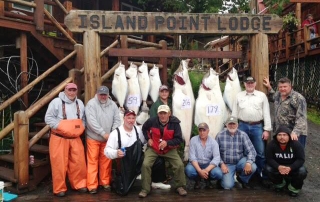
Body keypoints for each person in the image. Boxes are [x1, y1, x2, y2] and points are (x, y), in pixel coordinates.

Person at [45, 83, 87, 197]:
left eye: (74, 90)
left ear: (77, 91)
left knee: (79, 163)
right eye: (70, 90)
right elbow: (48, 118)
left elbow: (83, 119)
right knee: (59, 164)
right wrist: (60, 127)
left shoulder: (80, 103)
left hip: (75, 138)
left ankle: (79, 184)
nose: (72, 92)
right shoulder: (56, 102)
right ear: (65, 90)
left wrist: (81, 127)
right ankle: (59, 189)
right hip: (59, 138)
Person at [139, 105, 187, 198]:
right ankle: (145, 189)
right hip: (154, 148)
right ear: (158, 114)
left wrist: (167, 143)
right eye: (161, 113)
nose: (163, 115)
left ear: (169, 114)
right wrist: (148, 139)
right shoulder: (151, 121)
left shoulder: (175, 124)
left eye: (165, 113)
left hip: (169, 149)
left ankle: (180, 187)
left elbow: (178, 139)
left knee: (179, 165)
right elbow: (144, 129)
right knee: (145, 164)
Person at [232, 76, 272, 180]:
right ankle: (243, 174)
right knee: (241, 151)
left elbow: (266, 113)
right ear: (244, 84)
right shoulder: (238, 96)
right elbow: (234, 113)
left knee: (260, 152)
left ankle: (260, 175)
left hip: (257, 126)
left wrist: (267, 130)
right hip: (242, 126)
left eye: (251, 83)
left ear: (255, 83)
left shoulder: (262, 96)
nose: (250, 84)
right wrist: (233, 128)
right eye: (247, 83)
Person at [85, 86, 121, 194]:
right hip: (93, 137)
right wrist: (102, 133)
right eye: (101, 94)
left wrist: (112, 133)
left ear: (108, 94)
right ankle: (92, 185)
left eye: (105, 94)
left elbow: (117, 119)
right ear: (97, 94)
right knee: (92, 161)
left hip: (108, 139)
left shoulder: (113, 104)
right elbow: (91, 122)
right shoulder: (91, 104)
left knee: (106, 161)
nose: (103, 96)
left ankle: (105, 182)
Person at [263, 77, 307, 148]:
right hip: (281, 132)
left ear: (290, 87)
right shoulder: (278, 95)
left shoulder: (298, 98)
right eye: (280, 87)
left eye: (285, 87)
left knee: (296, 154)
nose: (282, 89)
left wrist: (295, 132)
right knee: (282, 154)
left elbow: (301, 118)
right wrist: (269, 86)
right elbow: (272, 96)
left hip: (295, 133)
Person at [215, 116, 257, 189]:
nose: (232, 126)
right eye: (230, 124)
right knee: (227, 186)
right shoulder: (220, 135)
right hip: (227, 164)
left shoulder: (243, 135)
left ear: (237, 125)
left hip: (240, 162)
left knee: (253, 167)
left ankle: (242, 179)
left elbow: (252, 151)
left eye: (234, 124)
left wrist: (248, 162)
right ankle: (222, 179)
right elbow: (215, 153)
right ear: (226, 125)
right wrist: (221, 164)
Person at [265, 125, 307, 197]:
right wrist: (278, 167)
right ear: (276, 136)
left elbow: (301, 159)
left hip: (292, 166)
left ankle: (293, 188)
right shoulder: (271, 144)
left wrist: (291, 167)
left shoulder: (296, 144)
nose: (282, 137)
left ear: (289, 136)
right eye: (279, 135)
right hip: (278, 166)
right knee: (268, 168)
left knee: (302, 171)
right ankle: (279, 184)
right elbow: (269, 159)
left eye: (284, 135)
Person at [185, 122, 223, 189]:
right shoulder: (193, 140)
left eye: (204, 130)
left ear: (208, 131)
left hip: (208, 164)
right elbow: (192, 157)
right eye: (200, 130)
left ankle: (208, 180)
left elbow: (216, 158)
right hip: (196, 164)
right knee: (189, 170)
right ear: (198, 131)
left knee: (218, 173)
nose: (202, 132)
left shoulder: (213, 142)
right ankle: (197, 180)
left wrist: (206, 170)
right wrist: (200, 171)